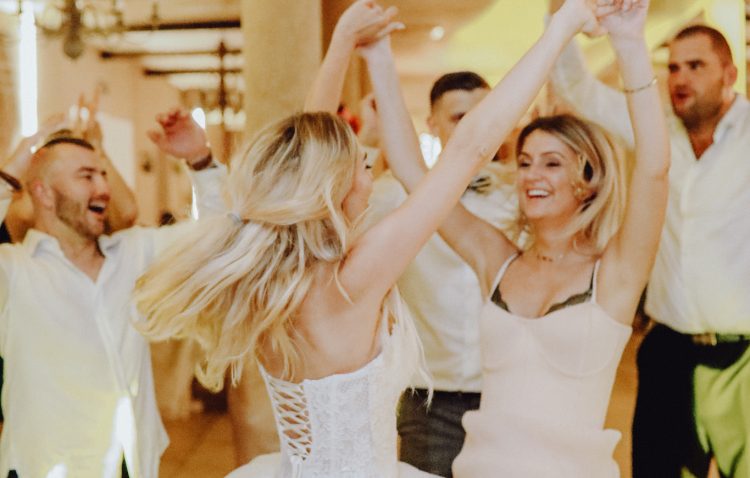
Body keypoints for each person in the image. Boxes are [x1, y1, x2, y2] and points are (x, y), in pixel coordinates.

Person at [133, 1, 613, 477]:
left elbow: (304, 151)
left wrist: (343, 43)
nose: (370, 173)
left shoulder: (273, 276)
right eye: (362, 165)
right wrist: (562, 27)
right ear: (336, 187)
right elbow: (470, 148)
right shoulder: (352, 278)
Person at [370, 0, 669, 476]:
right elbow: (411, 170)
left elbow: (653, 170)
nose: (532, 175)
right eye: (526, 162)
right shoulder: (498, 260)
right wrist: (378, 56)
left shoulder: (615, 273)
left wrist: (630, 45)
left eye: (552, 163)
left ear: (586, 179)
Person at [549, 2, 750, 476]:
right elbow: (577, 88)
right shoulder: (651, 126)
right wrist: (561, 9)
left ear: (729, 74)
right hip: (669, 351)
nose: (680, 78)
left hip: (744, 356)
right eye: (673, 67)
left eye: (696, 66)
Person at [0, 108, 221, 478]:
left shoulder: (132, 254)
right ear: (44, 193)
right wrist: (15, 166)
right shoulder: (15, 271)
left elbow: (217, 239)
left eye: (102, 174)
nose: (103, 188)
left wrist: (201, 160)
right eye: (86, 176)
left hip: (130, 465)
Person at [360, 71, 518, 477]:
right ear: (433, 124)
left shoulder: (523, 195)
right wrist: (370, 140)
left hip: (507, 393)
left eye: (483, 116)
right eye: (460, 118)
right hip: (427, 398)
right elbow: (340, 215)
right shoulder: (398, 194)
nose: (475, 128)